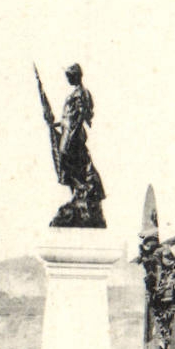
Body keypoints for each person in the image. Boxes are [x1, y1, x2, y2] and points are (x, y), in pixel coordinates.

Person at [51, 64, 106, 227]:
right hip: (67, 130)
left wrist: (72, 135)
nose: (67, 78)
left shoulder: (81, 93)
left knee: (68, 159)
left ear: (76, 76)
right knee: (66, 163)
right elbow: (69, 115)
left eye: (69, 75)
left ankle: (82, 188)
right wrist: (56, 124)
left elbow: (81, 115)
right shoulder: (75, 93)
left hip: (73, 134)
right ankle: (78, 190)